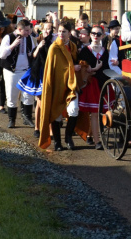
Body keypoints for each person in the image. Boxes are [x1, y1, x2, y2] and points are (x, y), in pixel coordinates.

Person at [39, 21, 82, 151]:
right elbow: (55, 68)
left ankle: (68, 137)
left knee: (74, 110)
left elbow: (74, 61)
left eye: (64, 31)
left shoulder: (73, 46)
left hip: (71, 84)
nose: (61, 34)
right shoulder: (54, 47)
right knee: (56, 113)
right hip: (57, 84)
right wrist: (72, 67)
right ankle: (57, 142)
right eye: (59, 31)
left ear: (69, 33)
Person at [18, 21, 54, 139]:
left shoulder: (54, 41)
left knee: (49, 103)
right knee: (39, 102)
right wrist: (39, 46)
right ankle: (37, 128)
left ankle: (49, 128)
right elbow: (33, 56)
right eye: (45, 29)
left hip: (50, 73)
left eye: (49, 29)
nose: (47, 31)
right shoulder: (36, 40)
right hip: (38, 73)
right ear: (41, 30)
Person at [0, 19, 35, 128]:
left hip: (26, 71)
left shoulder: (29, 38)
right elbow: (2, 55)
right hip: (12, 72)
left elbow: (33, 50)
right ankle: (12, 120)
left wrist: (32, 53)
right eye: (27, 30)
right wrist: (12, 45)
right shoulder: (8, 37)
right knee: (12, 96)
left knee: (28, 95)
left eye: (29, 30)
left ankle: (27, 118)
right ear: (19, 29)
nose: (29, 33)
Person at [77, 25, 108, 149]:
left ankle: (92, 136)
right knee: (94, 113)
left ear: (102, 36)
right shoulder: (85, 51)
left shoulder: (106, 51)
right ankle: (97, 141)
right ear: (90, 35)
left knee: (102, 112)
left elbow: (107, 68)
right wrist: (94, 69)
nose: (96, 36)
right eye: (94, 34)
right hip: (91, 85)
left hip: (104, 83)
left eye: (98, 34)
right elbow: (83, 70)